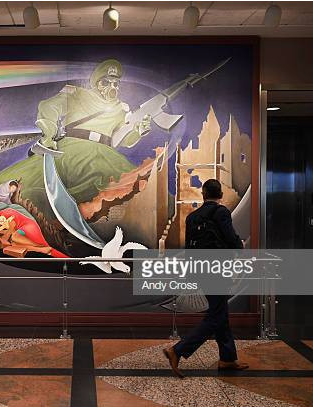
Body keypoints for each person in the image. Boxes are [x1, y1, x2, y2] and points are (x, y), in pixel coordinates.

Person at [163, 178, 248, 377]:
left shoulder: (192, 217)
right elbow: (231, 238)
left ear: (203, 194)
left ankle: (227, 359)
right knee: (216, 315)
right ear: (221, 195)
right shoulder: (221, 213)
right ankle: (178, 350)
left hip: (199, 268)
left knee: (220, 312)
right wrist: (240, 246)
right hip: (217, 269)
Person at [35, 59, 151, 150]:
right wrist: (49, 134)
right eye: (106, 82)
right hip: (73, 148)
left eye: (115, 84)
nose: (112, 87)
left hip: (105, 154)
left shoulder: (121, 109)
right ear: (97, 84)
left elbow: (122, 140)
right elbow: (49, 106)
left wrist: (137, 131)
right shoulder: (78, 94)